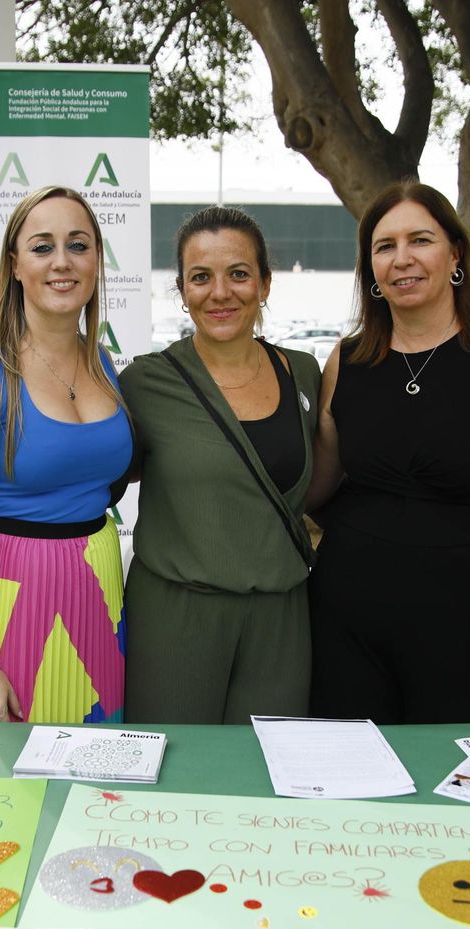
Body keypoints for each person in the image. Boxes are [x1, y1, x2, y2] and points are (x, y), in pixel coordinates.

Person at [306, 181, 470, 723]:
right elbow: (315, 487)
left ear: (455, 253)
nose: (402, 259)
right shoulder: (347, 361)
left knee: (456, 790)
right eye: (384, 246)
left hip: (466, 624)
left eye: (419, 240)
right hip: (346, 622)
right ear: (370, 268)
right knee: (349, 783)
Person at [0, 186, 132, 724]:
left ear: (97, 261)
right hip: (0, 609)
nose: (62, 262)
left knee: (88, 788)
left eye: (78, 245)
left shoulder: (102, 362)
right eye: (42, 247)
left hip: (95, 597)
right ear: (14, 264)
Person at [119, 206, 321, 723]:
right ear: (182, 291)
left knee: (267, 773)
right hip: (176, 618)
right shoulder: (145, 384)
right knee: (176, 776)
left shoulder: (303, 372)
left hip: (281, 619)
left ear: (265, 284)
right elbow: (105, 475)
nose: (220, 293)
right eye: (201, 277)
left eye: (238, 274)